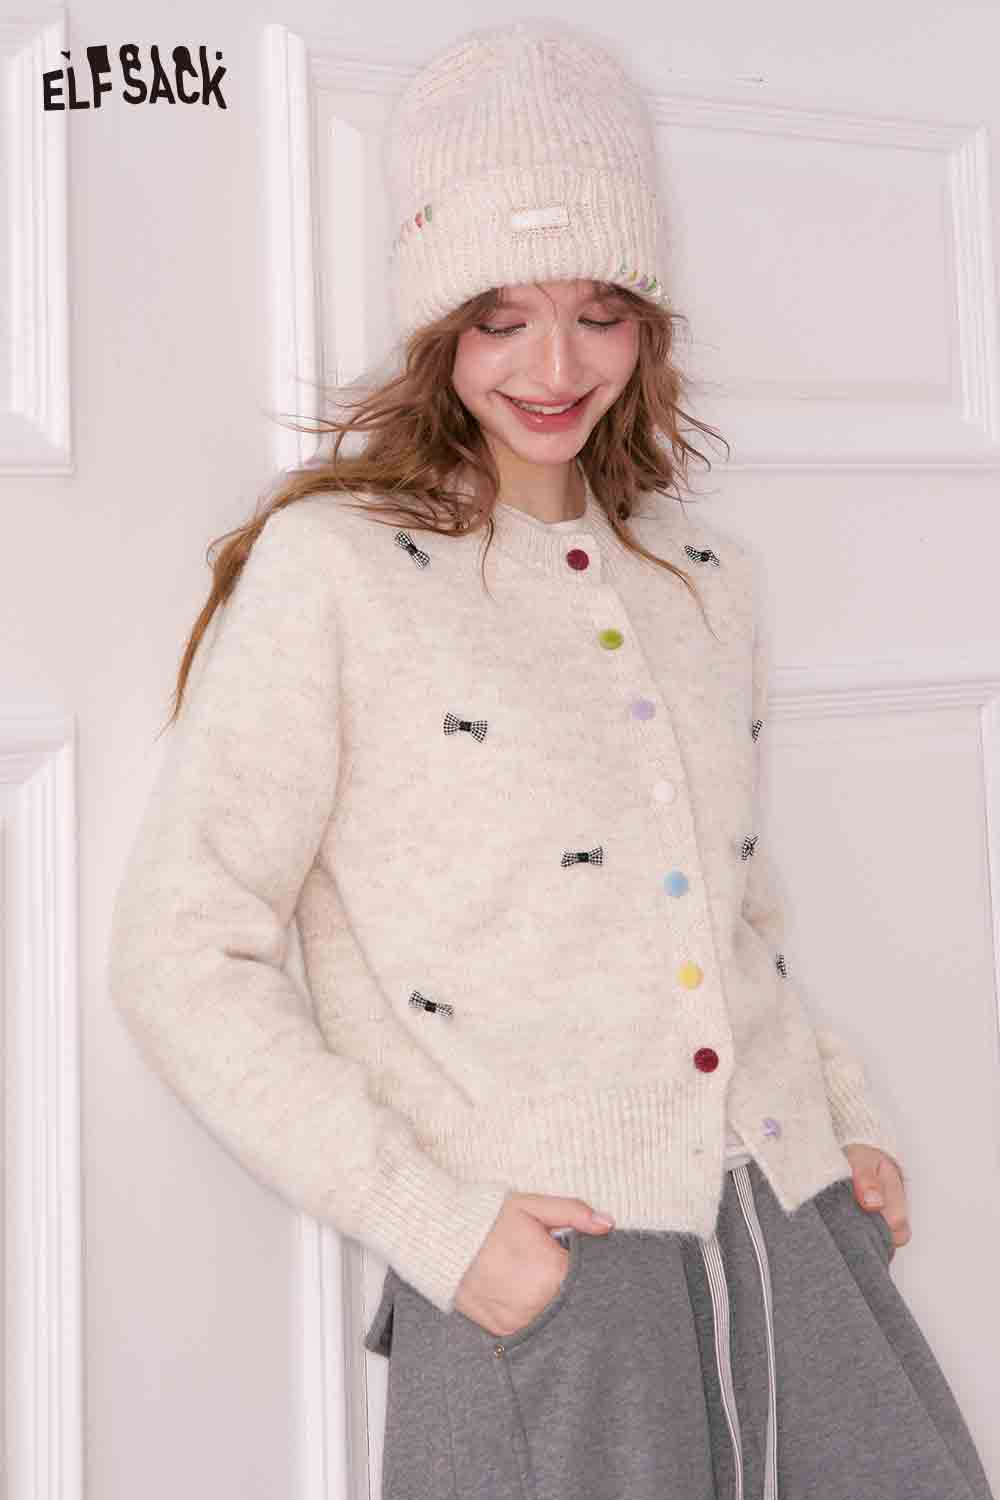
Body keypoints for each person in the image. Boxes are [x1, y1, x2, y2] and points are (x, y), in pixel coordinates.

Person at [108, 18, 996, 1500]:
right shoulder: (338, 571)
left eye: (600, 312)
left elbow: (735, 908)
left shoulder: (702, 579)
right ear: (437, 332)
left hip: (793, 1231)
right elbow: (177, 950)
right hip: (552, 1270)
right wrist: (438, 1225)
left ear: (649, 327)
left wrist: (837, 1123)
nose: (556, 365)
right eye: (501, 317)